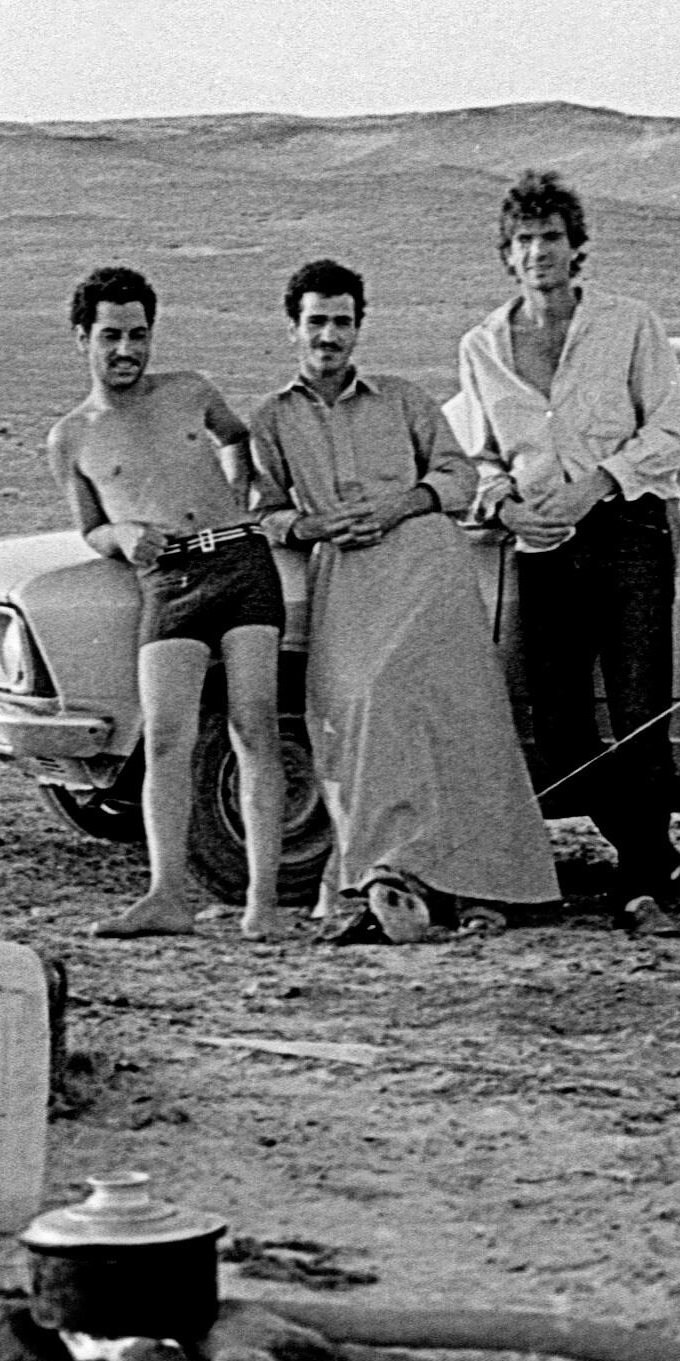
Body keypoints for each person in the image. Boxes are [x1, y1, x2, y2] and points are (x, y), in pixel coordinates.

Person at [247, 260, 561, 944]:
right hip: (348, 576)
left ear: (359, 327)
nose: (330, 335)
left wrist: (397, 507)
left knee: (456, 715)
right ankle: (380, 876)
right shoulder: (271, 418)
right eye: (317, 322)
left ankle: (478, 888)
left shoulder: (402, 399)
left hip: (425, 567)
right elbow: (266, 510)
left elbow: (454, 475)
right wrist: (316, 526)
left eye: (342, 321)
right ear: (293, 327)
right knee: (355, 708)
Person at [448, 171, 680, 904]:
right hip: (543, 543)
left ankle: (641, 883)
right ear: (506, 254)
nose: (537, 253)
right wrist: (503, 505)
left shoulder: (628, 323)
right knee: (557, 732)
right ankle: (651, 848)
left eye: (550, 238)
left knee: (640, 713)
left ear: (576, 247)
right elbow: (479, 452)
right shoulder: (482, 346)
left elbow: (672, 432)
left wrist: (599, 483)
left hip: (627, 532)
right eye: (523, 241)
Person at [46, 266, 294, 940]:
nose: (126, 350)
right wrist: (122, 534)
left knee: (254, 727)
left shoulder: (190, 391)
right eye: (109, 337)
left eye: (137, 335)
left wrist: (245, 489)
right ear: (81, 339)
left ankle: (263, 904)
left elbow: (237, 435)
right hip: (171, 584)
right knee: (165, 737)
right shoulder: (71, 436)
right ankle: (167, 896)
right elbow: (90, 527)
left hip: (242, 567)